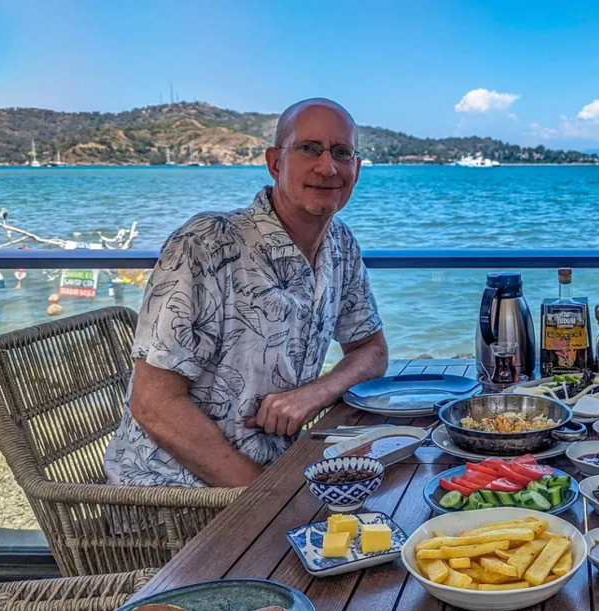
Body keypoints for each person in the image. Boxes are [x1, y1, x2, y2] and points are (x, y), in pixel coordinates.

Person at [105, 98, 388, 487]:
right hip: (175, 493)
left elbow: (371, 350)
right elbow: (153, 404)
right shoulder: (205, 243)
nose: (328, 167)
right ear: (275, 163)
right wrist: (265, 498)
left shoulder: (340, 245)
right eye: (309, 149)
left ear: (356, 169)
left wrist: (314, 394)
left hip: (279, 467)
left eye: (342, 153)